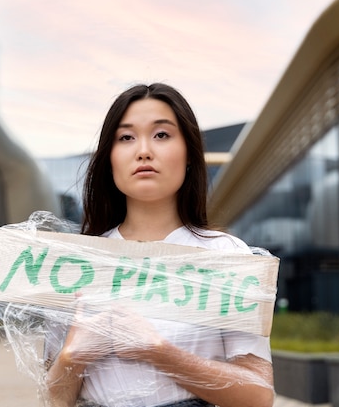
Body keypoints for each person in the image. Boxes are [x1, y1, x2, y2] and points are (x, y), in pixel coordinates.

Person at [44, 83, 275, 407]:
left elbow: (259, 396)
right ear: (109, 159)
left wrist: (158, 351)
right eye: (126, 137)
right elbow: (51, 398)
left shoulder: (226, 257)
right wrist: (74, 355)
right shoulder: (77, 264)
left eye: (162, 135)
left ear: (189, 154)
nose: (143, 151)